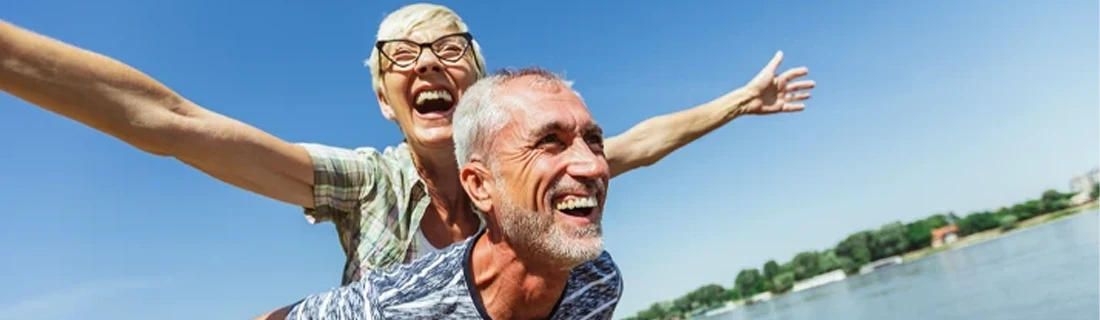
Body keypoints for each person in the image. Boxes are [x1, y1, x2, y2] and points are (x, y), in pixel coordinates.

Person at [0, 3, 813, 285]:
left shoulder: (533, 169)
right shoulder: (362, 184)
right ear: (384, 97)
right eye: (402, 56)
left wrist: (739, 102)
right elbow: (172, 121)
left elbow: (638, 141)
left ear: (483, 82)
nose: (427, 62)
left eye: (448, 47)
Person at [256, 67, 622, 320]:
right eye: (548, 142)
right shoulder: (398, 304)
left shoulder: (599, 282)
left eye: (593, 141)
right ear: (479, 185)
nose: (591, 166)